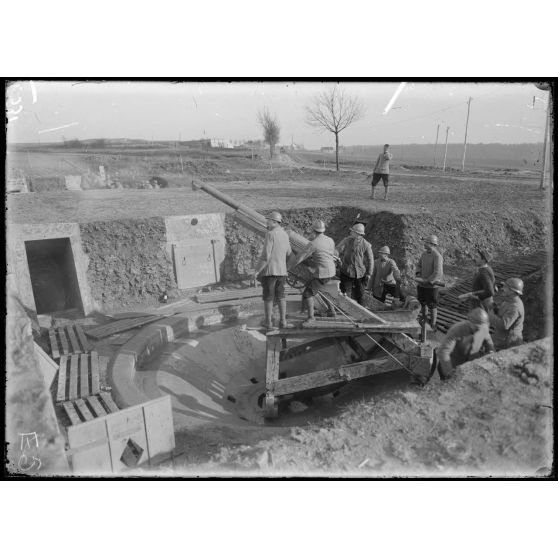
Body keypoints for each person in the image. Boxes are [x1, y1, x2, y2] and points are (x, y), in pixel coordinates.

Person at [415, 308, 495, 385]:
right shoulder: (457, 330)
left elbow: (489, 344)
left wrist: (491, 353)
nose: (479, 331)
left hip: (469, 367)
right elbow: (443, 351)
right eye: (477, 328)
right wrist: (450, 374)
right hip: (452, 365)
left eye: (481, 328)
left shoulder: (483, 329)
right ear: (470, 322)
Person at [288, 219, 337, 322]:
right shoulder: (330, 240)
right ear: (323, 230)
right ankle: (332, 312)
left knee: (307, 294)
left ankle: (311, 318)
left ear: (314, 231)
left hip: (323, 273)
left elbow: (301, 257)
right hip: (331, 270)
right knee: (322, 290)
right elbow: (329, 254)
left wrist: (289, 266)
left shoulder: (313, 243)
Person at [253, 211, 292, 330]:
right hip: (282, 272)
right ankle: (283, 321)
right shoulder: (285, 234)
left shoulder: (270, 234)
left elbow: (265, 256)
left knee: (268, 297)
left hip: (270, 272)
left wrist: (257, 271)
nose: (267, 222)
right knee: (281, 296)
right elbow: (289, 253)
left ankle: (268, 322)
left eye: (268, 220)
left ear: (275, 222)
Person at [336, 223, 374, 306]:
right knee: (344, 291)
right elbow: (338, 249)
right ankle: (344, 307)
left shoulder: (366, 245)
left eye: (352, 231)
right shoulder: (347, 240)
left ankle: (362, 309)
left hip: (359, 272)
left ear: (358, 234)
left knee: (360, 293)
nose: (350, 232)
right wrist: (336, 256)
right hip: (346, 270)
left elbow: (370, 259)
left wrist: (369, 273)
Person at [415, 234, 444, 330]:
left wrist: (428, 281)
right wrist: (418, 273)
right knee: (422, 303)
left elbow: (438, 272)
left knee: (432, 305)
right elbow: (418, 265)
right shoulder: (424, 254)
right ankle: (424, 318)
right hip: (422, 285)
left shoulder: (437, 256)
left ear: (432, 244)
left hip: (432, 286)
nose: (425, 244)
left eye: (427, 242)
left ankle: (433, 323)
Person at [489, 277, 525, 350]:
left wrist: (490, 315)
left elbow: (504, 325)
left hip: (508, 342)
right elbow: (503, 313)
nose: (502, 289)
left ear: (512, 291)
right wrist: (495, 308)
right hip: (502, 336)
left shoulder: (515, 307)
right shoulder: (509, 300)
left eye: (505, 287)